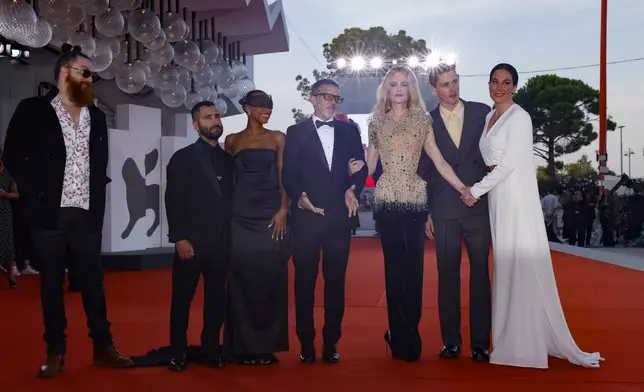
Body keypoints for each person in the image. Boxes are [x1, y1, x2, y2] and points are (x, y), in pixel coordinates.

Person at [2, 43, 133, 378]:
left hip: (87, 214)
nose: (91, 79)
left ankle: (103, 346)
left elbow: (98, 162)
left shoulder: (98, 116)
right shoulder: (32, 110)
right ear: (65, 74)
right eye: (85, 72)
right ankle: (56, 351)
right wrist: (36, 191)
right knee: (50, 285)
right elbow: (14, 154)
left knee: (93, 282)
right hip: (50, 214)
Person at [464, 63, 603, 369]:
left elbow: (510, 164)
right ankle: (507, 337)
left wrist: (474, 190)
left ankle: (523, 344)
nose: (500, 87)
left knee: (520, 266)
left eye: (506, 82)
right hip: (498, 197)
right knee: (506, 265)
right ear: (488, 84)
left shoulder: (520, 117)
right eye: (495, 81)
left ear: (515, 87)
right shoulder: (490, 116)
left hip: (514, 196)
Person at [366, 66, 475, 362]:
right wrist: (351, 178)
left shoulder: (422, 120)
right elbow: (370, 164)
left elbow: (438, 161)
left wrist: (462, 187)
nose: (398, 89)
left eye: (404, 84)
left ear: (411, 88)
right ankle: (397, 336)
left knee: (413, 271)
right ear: (386, 89)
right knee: (394, 271)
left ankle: (409, 335)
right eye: (393, 84)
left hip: (415, 199)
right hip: (388, 199)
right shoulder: (375, 121)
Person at [282, 78, 367, 363]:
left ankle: (331, 342)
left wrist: (353, 186)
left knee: (336, 284)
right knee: (303, 284)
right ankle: (306, 343)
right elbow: (288, 175)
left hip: (339, 220)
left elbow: (358, 168)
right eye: (327, 96)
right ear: (313, 98)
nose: (332, 101)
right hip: (306, 219)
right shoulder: (294, 132)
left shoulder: (350, 131)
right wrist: (299, 197)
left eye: (337, 98)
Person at [416, 63, 493, 362]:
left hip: (478, 205)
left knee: (480, 276)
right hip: (444, 208)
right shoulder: (426, 121)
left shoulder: (481, 112)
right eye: (445, 84)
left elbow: (492, 156)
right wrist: (427, 212)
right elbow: (423, 169)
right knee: (447, 275)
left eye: (455, 82)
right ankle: (451, 341)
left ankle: (480, 344)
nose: (452, 89)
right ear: (433, 89)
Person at [164, 101, 234, 371]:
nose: (215, 121)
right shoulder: (182, 158)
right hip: (190, 243)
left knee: (217, 300)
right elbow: (173, 201)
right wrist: (179, 238)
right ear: (196, 125)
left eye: (217, 116)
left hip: (221, 243)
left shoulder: (229, 161)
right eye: (208, 117)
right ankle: (178, 352)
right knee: (182, 299)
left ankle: (210, 350)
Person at [223, 90, 290, 365]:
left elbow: (285, 177)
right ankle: (242, 347)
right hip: (240, 217)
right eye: (262, 106)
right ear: (248, 108)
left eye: (270, 107)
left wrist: (284, 209)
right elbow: (228, 182)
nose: (267, 111)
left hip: (271, 216)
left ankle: (266, 345)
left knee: (271, 277)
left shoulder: (277, 138)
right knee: (242, 279)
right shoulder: (231, 140)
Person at [0, 153, 19, 289]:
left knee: (8, 244)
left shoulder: (6, 173)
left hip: (5, 213)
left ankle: (11, 277)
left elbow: (16, 194)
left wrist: (5, 194)